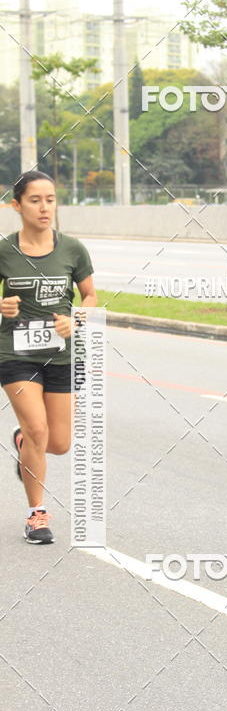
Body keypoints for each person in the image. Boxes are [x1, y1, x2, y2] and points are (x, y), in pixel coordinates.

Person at [0, 170, 97, 544]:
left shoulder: (72, 249)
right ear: (17, 205)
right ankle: (36, 515)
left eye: (50, 199)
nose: (44, 207)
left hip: (63, 355)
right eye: (35, 200)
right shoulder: (5, 250)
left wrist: (77, 317)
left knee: (58, 443)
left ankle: (23, 444)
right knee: (39, 429)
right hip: (15, 354)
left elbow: (89, 295)